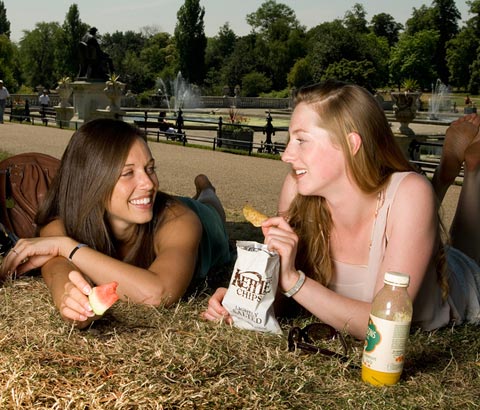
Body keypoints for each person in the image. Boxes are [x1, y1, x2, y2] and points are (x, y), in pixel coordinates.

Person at [203, 80, 480, 340]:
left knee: (465, 254)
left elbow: (381, 326)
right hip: (415, 228)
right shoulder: (296, 188)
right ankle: (447, 176)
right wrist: (244, 301)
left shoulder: (410, 194)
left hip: (454, 285)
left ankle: (470, 172)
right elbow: (288, 299)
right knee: (428, 217)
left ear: (351, 145)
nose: (286, 155)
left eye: (301, 140)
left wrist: (293, 280)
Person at [0, 118, 232, 328]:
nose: (149, 183)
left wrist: (65, 247)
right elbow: (57, 267)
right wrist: (68, 298)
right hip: (141, 205)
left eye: (150, 169)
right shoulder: (60, 224)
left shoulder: (181, 220)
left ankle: (205, 186)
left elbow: (158, 293)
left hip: (202, 222)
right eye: (128, 173)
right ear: (91, 182)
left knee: (212, 207)